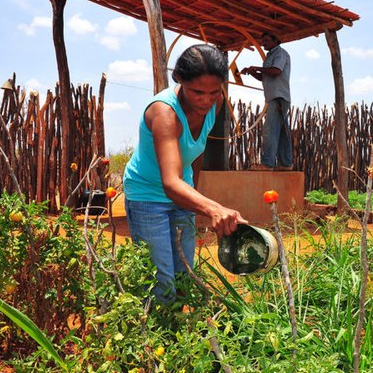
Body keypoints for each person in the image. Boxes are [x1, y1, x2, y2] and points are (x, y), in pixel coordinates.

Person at [123, 44, 248, 303]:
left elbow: (196, 151)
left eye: (214, 91)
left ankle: (178, 325)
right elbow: (170, 183)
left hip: (182, 193)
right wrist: (213, 208)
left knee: (184, 274)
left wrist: (194, 197)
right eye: (197, 92)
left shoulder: (216, 104)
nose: (206, 100)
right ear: (180, 79)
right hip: (147, 196)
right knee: (160, 281)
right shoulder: (164, 112)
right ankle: (154, 327)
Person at [240, 32, 293, 171]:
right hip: (276, 97)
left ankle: (267, 164)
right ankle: (286, 164)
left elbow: (276, 71)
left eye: (267, 40)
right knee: (282, 132)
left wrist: (257, 68)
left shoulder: (280, 53)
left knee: (270, 130)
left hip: (278, 97)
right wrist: (252, 72)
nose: (264, 43)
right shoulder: (270, 56)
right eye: (263, 40)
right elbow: (265, 77)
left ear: (276, 40)